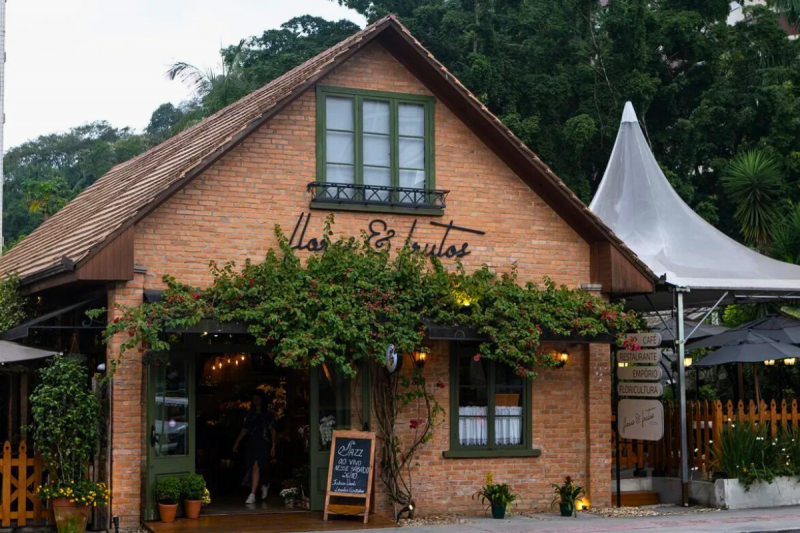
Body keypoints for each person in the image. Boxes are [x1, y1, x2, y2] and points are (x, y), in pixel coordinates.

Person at [233, 390, 277, 504]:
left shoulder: (268, 414)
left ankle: (256, 490)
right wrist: (237, 441)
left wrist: (273, 444)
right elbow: (245, 428)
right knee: (253, 465)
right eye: (254, 399)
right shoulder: (250, 414)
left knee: (259, 465)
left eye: (258, 399)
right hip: (252, 441)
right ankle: (259, 488)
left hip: (263, 441)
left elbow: (272, 430)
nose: (256, 401)